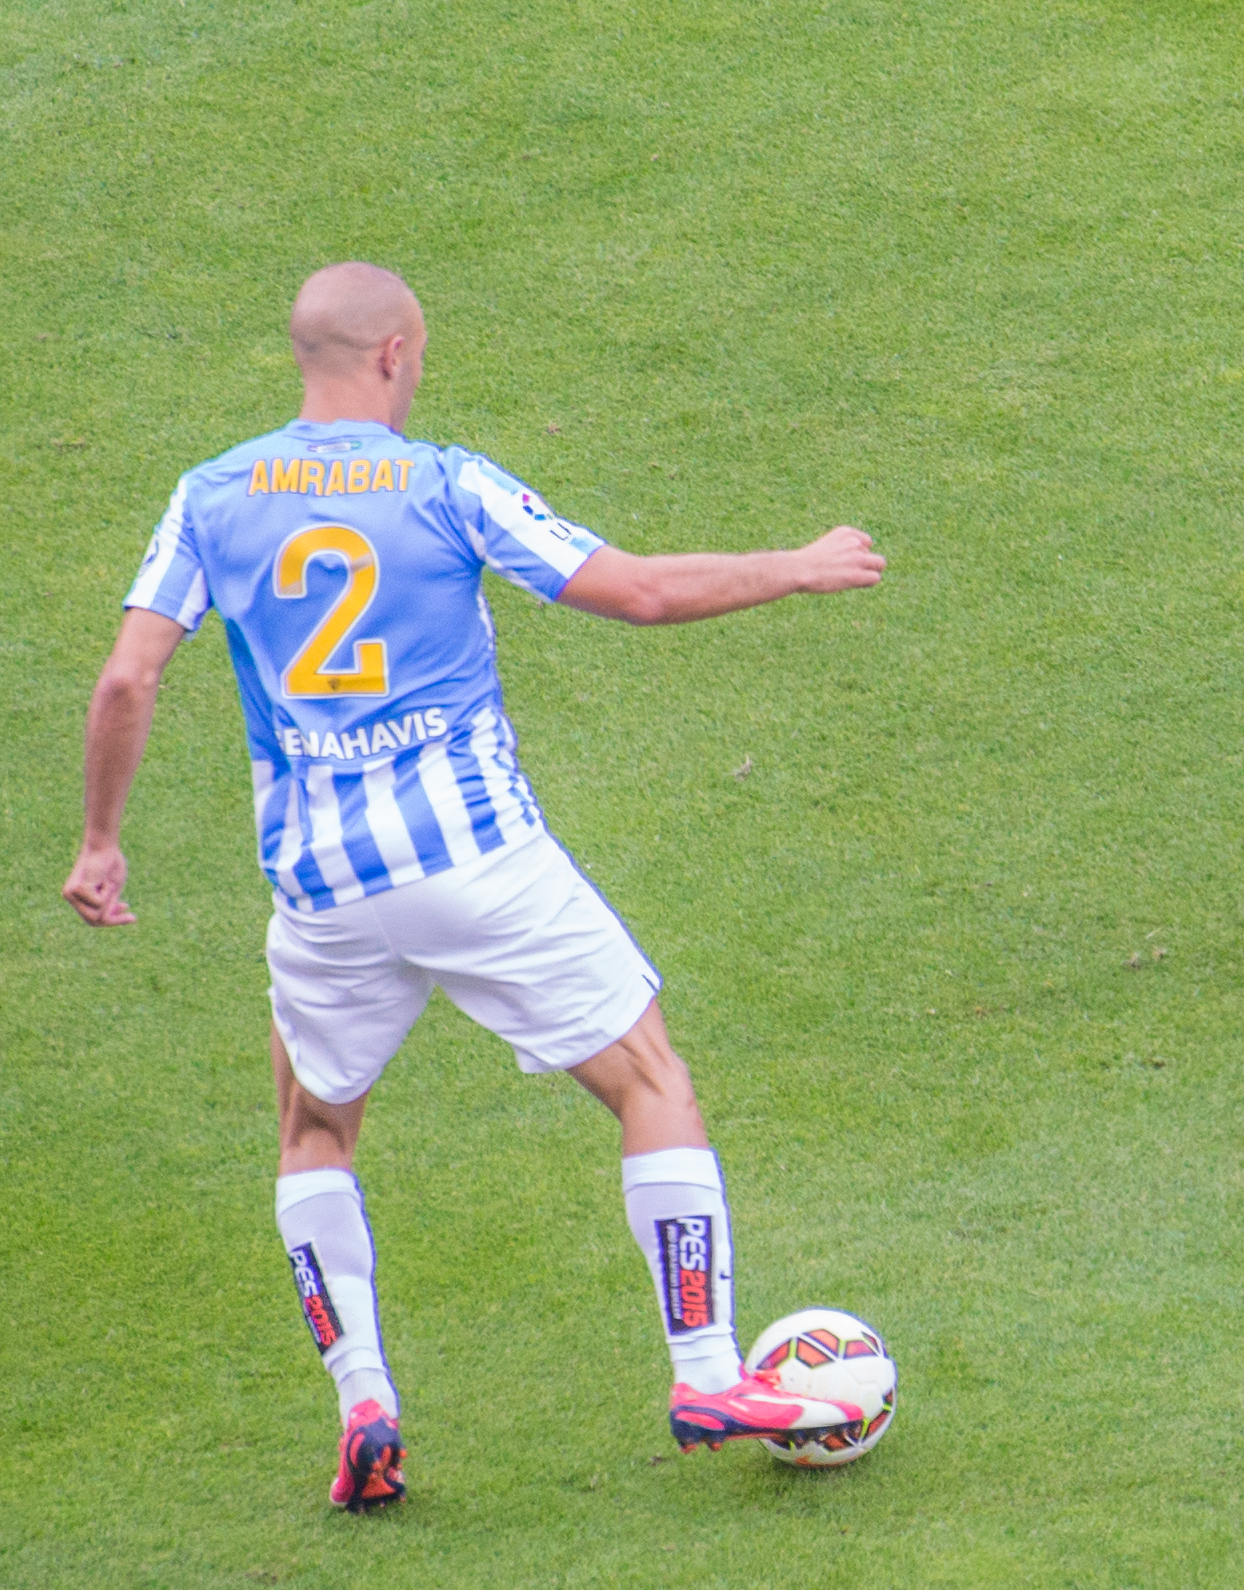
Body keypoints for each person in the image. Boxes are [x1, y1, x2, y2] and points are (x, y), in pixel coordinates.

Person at [63, 262, 888, 1509]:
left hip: (321, 891)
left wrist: (100, 842)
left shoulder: (210, 495)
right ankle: (708, 1370)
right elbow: (643, 592)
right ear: (394, 353)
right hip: (476, 861)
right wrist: (800, 559)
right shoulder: (443, 482)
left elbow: (127, 680)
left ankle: (366, 1403)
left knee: (315, 1131)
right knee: (649, 1078)